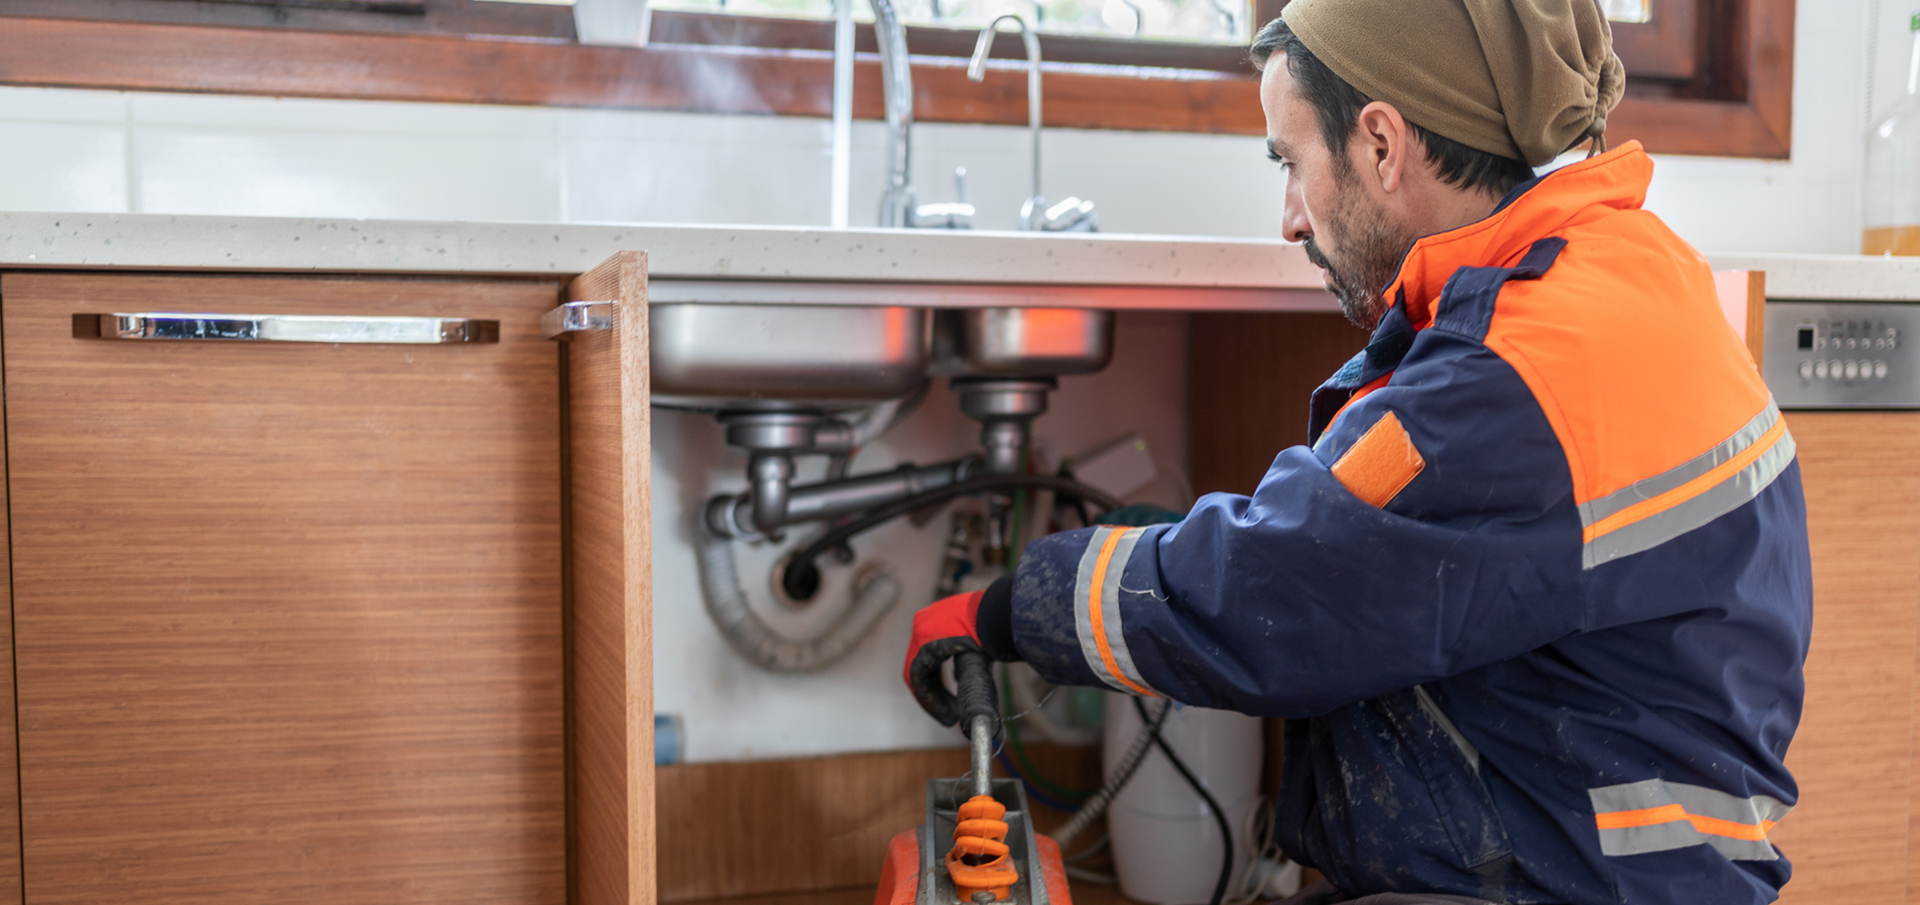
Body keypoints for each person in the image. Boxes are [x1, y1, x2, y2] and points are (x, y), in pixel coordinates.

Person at [900, 0, 1813, 903]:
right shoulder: (1620, 272)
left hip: (1579, 882)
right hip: (1621, 853)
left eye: (1292, 163)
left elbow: (1277, 589)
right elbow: (1363, 551)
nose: (1290, 219)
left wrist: (1020, 607)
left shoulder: (1514, 375)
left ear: (1381, 144)